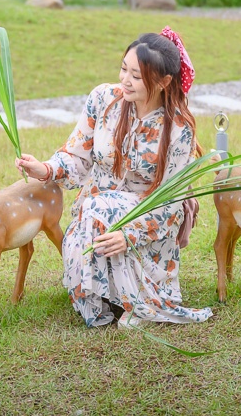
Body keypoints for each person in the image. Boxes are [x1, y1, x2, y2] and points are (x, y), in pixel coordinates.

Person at [15, 28, 213, 328]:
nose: (124, 80)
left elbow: (172, 200)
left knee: (99, 207)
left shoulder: (178, 129)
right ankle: (107, 295)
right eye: (124, 69)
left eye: (136, 75)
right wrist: (45, 169)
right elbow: (77, 155)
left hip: (147, 215)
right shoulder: (103, 99)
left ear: (163, 82)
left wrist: (127, 235)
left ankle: (141, 298)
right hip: (93, 214)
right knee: (94, 209)